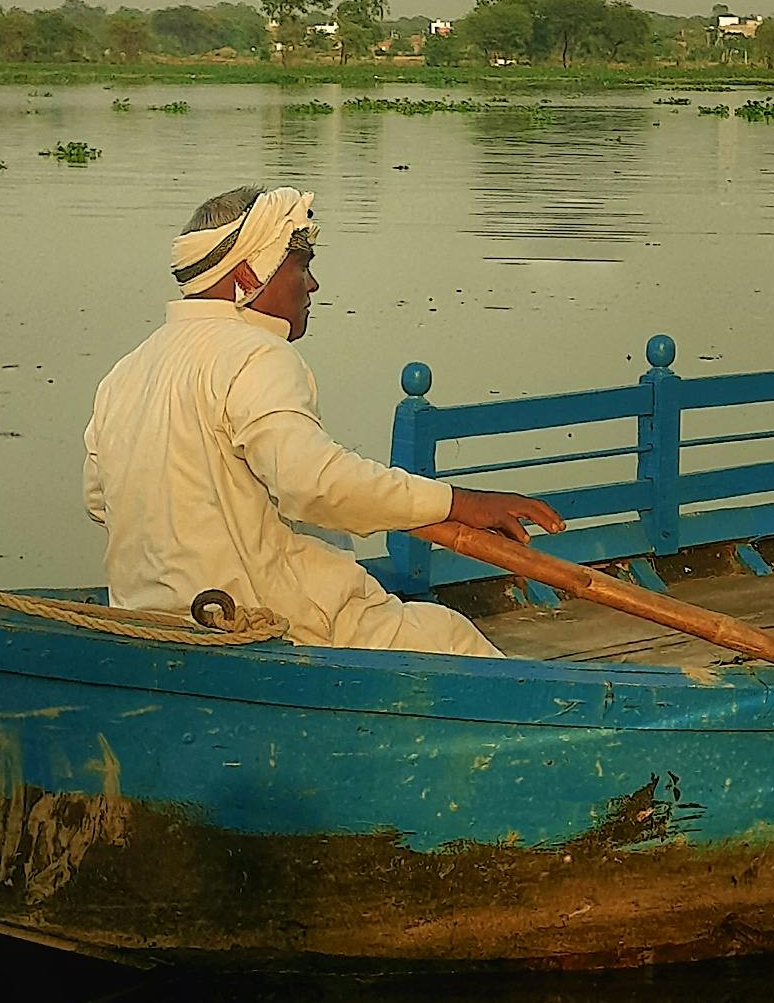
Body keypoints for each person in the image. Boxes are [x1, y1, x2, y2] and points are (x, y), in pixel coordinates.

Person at [82, 184, 561, 652]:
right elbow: (314, 483)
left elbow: (100, 502)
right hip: (271, 625)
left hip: (150, 625)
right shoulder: (255, 354)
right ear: (248, 274)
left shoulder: (126, 371)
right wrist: (458, 502)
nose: (312, 284)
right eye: (302, 266)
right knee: (452, 639)